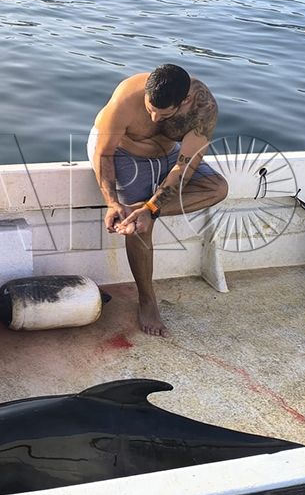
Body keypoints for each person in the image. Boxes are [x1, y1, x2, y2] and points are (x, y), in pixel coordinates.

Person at [88, 65, 229, 337]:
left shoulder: (203, 109)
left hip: (168, 157)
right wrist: (112, 202)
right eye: (149, 108)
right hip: (121, 151)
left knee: (218, 188)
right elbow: (103, 153)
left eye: (162, 114)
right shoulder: (126, 100)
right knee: (140, 226)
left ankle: (142, 210)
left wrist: (152, 207)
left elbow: (184, 167)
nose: (153, 118)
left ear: (184, 101)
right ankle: (147, 300)